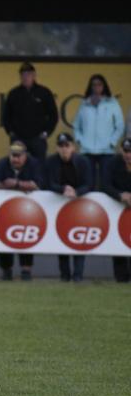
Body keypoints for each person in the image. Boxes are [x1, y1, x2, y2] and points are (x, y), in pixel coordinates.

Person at [0, 141, 42, 281]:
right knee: (3, 238)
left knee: (27, 237)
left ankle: (26, 270)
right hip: (4, 208)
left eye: (19, 156)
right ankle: (6, 270)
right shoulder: (2, 163)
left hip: (27, 210)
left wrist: (16, 184)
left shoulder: (34, 164)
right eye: (13, 155)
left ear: (25, 156)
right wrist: (22, 186)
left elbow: (38, 185)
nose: (15, 159)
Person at [44, 133, 91, 282]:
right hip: (58, 206)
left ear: (73, 147)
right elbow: (48, 183)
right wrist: (63, 189)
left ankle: (78, 275)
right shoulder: (50, 162)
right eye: (61, 146)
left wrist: (76, 192)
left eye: (67, 146)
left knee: (80, 240)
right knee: (61, 239)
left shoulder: (83, 161)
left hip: (79, 206)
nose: (64, 149)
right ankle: (64, 275)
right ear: (57, 148)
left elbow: (89, 183)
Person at [73, 74, 124, 190]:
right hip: (87, 150)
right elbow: (76, 125)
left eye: (99, 84)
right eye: (94, 85)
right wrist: (80, 140)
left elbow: (120, 125)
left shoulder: (112, 103)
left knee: (106, 184)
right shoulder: (84, 104)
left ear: (104, 86)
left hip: (107, 150)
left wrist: (112, 142)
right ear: (90, 87)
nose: (96, 87)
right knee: (88, 185)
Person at [1, 62, 58, 162]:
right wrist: (11, 132)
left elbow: (53, 115)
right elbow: (6, 116)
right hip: (18, 138)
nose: (25, 77)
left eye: (28, 74)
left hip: (38, 139)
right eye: (23, 75)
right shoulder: (14, 94)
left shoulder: (44, 92)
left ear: (34, 75)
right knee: (17, 164)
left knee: (39, 167)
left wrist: (46, 132)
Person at [103, 138, 131, 283]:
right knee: (117, 241)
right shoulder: (112, 163)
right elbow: (105, 184)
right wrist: (120, 195)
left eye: (130, 152)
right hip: (116, 208)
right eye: (126, 151)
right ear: (121, 150)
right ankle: (121, 278)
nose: (128, 155)